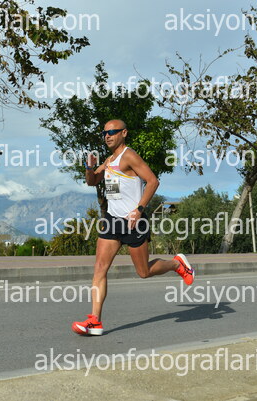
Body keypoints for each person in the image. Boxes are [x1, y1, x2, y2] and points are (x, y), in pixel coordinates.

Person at [71, 119, 194, 336]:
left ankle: (177, 264)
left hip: (133, 222)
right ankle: (95, 321)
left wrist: (139, 210)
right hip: (112, 220)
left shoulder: (129, 156)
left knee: (144, 272)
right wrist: (89, 167)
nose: (107, 136)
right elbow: (92, 181)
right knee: (100, 268)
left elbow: (153, 181)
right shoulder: (109, 159)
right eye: (105, 133)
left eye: (112, 132)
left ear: (124, 133)